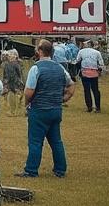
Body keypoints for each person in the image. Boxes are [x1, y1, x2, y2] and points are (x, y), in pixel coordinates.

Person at [19, 39, 74, 178]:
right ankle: (60, 169)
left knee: (35, 141)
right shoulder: (60, 68)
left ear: (39, 51)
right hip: (56, 109)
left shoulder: (36, 68)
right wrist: (63, 99)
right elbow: (71, 86)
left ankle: (31, 170)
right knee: (56, 141)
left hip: (39, 109)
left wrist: (27, 103)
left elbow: (29, 91)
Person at [76, 39, 105, 113]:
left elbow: (77, 60)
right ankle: (98, 107)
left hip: (85, 72)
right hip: (94, 73)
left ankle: (89, 107)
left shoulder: (81, 51)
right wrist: (99, 71)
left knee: (87, 90)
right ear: (93, 45)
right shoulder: (97, 52)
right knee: (95, 90)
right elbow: (101, 63)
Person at [1, 49, 25, 116]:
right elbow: (5, 75)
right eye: (9, 55)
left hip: (16, 82)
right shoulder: (7, 64)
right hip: (10, 82)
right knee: (12, 96)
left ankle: (16, 111)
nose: (9, 56)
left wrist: (21, 81)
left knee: (17, 96)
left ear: (15, 56)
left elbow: (20, 74)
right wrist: (4, 82)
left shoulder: (16, 64)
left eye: (11, 54)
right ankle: (13, 111)